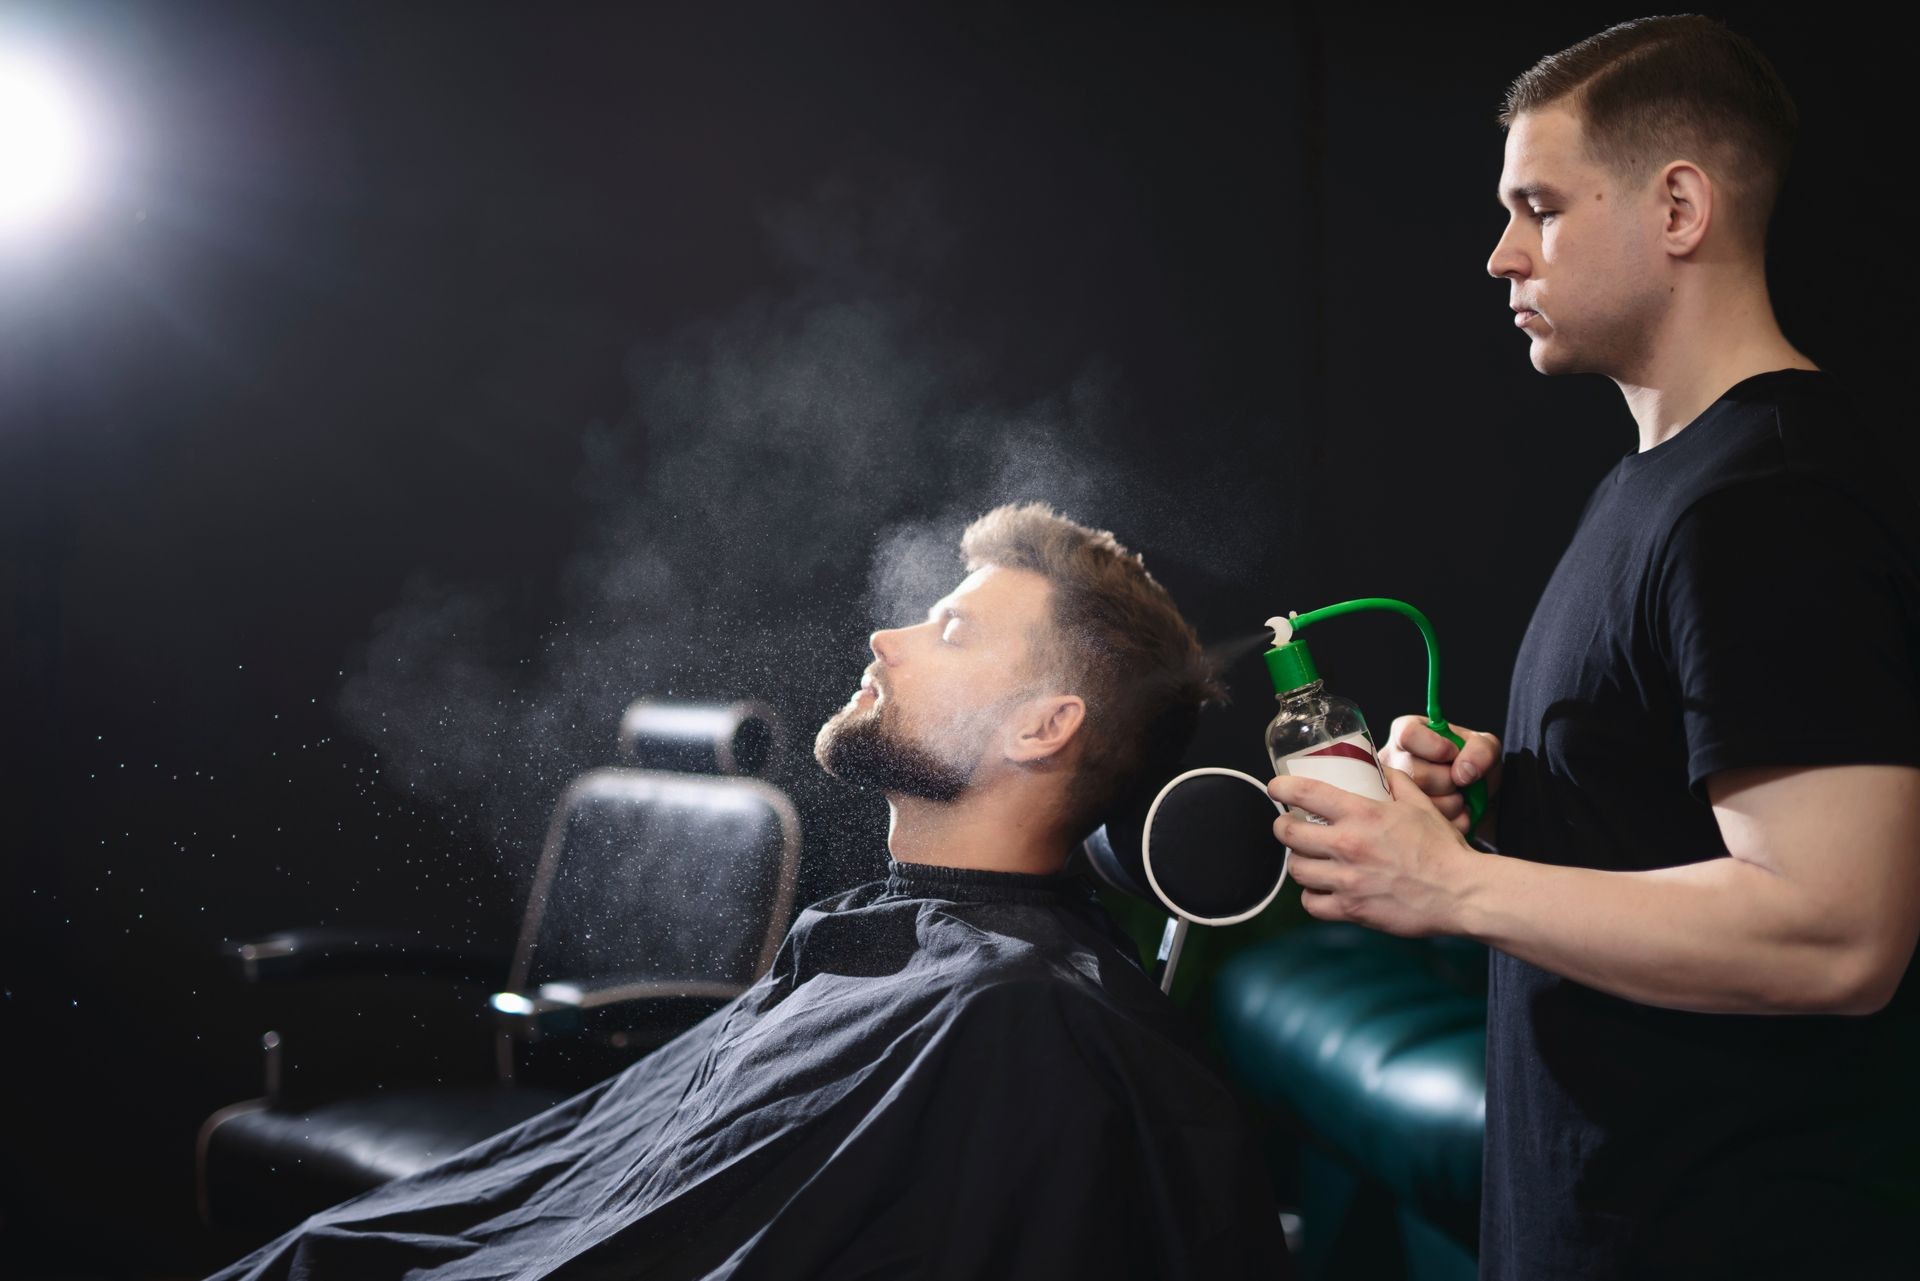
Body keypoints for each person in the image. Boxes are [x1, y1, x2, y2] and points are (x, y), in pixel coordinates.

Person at [208, 502, 1293, 1280]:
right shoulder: (875, 936)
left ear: (1043, 726)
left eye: (953, 630)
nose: (885, 637)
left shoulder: (1017, 1019)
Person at [1265, 16, 1920, 1281]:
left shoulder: (1772, 502)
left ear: (1679, 208)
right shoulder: (1658, 485)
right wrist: (1511, 796)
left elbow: (1839, 932)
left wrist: (1452, 886)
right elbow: (1675, 824)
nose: (1502, 253)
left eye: (1542, 208)